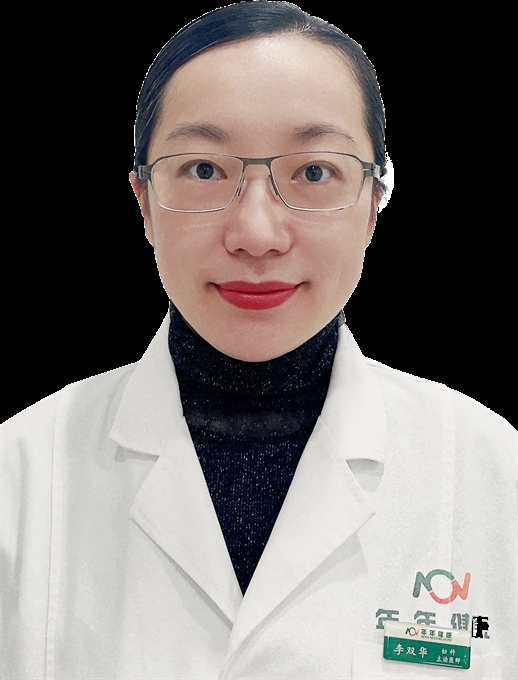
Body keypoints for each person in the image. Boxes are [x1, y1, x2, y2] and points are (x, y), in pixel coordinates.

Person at [1, 2, 516, 678]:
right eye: (203, 170)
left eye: (314, 172)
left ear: (373, 203)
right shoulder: (19, 472)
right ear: (144, 203)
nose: (256, 233)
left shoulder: (493, 471)